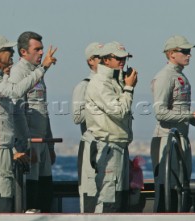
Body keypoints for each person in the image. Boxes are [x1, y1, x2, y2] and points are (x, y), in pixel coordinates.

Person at [0, 34, 47, 213]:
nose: (12, 52)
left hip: (1, 149)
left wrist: (13, 149)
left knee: (3, 201)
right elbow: (14, 91)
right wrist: (43, 68)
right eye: (8, 50)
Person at [150, 35, 195, 212]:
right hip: (166, 140)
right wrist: (189, 115)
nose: (189, 55)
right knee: (167, 190)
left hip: (180, 139)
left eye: (189, 51)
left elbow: (178, 111)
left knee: (181, 188)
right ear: (171, 54)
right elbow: (160, 112)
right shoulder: (165, 77)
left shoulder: (179, 76)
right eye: (184, 51)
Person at [84, 41, 138, 213]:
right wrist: (129, 88)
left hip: (118, 145)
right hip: (107, 144)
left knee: (119, 198)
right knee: (108, 199)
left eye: (125, 57)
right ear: (106, 60)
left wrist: (126, 84)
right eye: (118, 57)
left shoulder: (115, 80)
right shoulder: (100, 83)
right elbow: (119, 111)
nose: (122, 60)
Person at [9, 31, 57, 212]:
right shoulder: (18, 73)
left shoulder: (37, 74)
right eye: (36, 49)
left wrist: (50, 146)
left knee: (46, 191)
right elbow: (16, 110)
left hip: (42, 142)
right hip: (30, 143)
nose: (41, 53)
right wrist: (26, 146)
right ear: (23, 52)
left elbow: (42, 109)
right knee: (32, 195)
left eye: (41, 49)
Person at [71, 42, 103, 213]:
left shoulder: (113, 86)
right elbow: (77, 117)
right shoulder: (83, 86)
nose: (105, 60)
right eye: (100, 57)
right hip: (91, 144)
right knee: (90, 192)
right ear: (91, 61)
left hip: (110, 145)